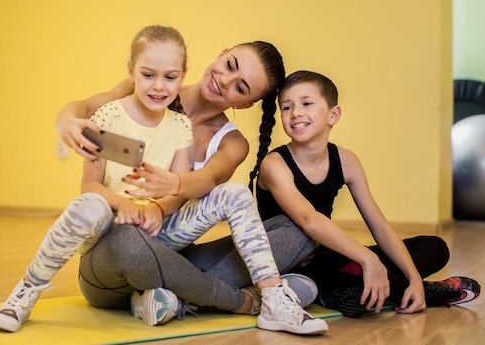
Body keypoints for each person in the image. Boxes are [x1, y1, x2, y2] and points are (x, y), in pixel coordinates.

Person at [58, 39, 328, 335]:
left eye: (240, 87)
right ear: (222, 53)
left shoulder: (232, 143)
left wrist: (174, 184)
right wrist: (67, 121)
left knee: (297, 230)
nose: (225, 81)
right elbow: (84, 107)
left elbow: (209, 179)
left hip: (172, 252)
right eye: (229, 65)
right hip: (112, 259)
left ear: (244, 104)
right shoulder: (147, 91)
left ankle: (164, 299)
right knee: (131, 243)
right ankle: (244, 300)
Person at [0, 24, 194, 332]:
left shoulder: (180, 126)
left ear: (183, 75)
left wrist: (156, 209)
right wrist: (122, 204)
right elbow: (90, 186)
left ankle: (141, 299)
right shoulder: (109, 116)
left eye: (170, 77)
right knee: (91, 205)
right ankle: (29, 287)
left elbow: (180, 189)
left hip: (154, 233)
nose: (159, 87)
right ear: (131, 71)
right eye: (148, 74)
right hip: (106, 238)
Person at [250, 70, 481, 317]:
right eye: (286, 107)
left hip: (330, 254)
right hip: (293, 264)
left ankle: (361, 289)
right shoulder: (274, 164)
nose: (295, 112)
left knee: (435, 247)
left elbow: (378, 226)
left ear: (333, 114)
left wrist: (412, 276)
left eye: (306, 103)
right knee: (357, 265)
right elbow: (310, 221)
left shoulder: (346, 161)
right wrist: (368, 260)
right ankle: (426, 291)